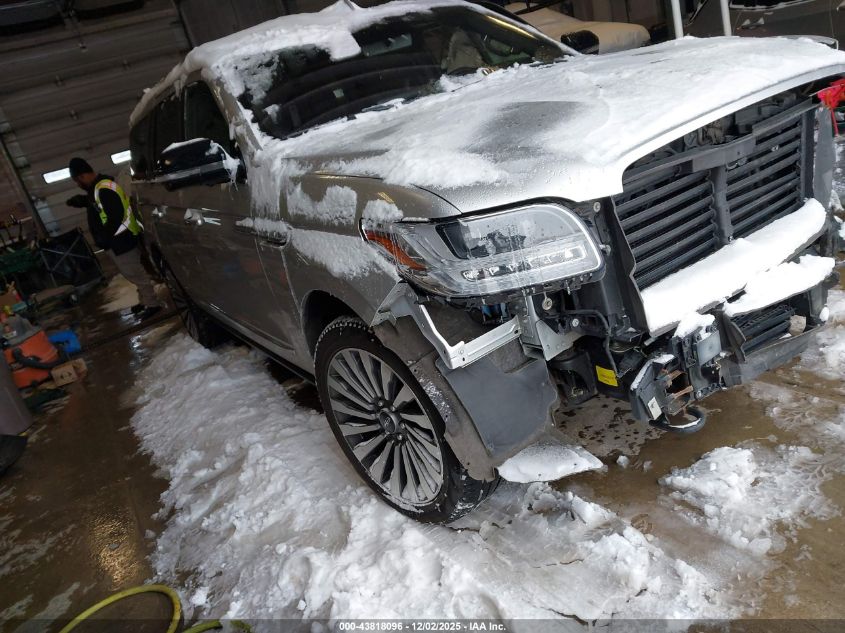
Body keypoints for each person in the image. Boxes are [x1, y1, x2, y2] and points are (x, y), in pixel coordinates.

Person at [66, 157, 162, 321]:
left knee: (136, 274)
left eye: (77, 180)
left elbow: (115, 216)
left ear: (82, 176)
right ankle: (144, 300)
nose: (78, 184)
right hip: (118, 240)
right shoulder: (99, 187)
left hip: (120, 241)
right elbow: (97, 205)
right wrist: (83, 202)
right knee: (132, 273)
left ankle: (153, 304)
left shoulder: (104, 189)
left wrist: (104, 236)